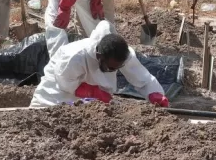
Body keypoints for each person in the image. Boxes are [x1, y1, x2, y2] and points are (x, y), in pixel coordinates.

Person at [30, 21, 169, 108]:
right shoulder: (74, 56)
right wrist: (93, 92)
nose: (113, 71)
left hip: (87, 106)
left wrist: (154, 94)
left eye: (117, 68)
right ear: (99, 56)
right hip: (54, 97)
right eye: (110, 68)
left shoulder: (124, 54)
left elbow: (142, 79)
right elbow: (65, 84)